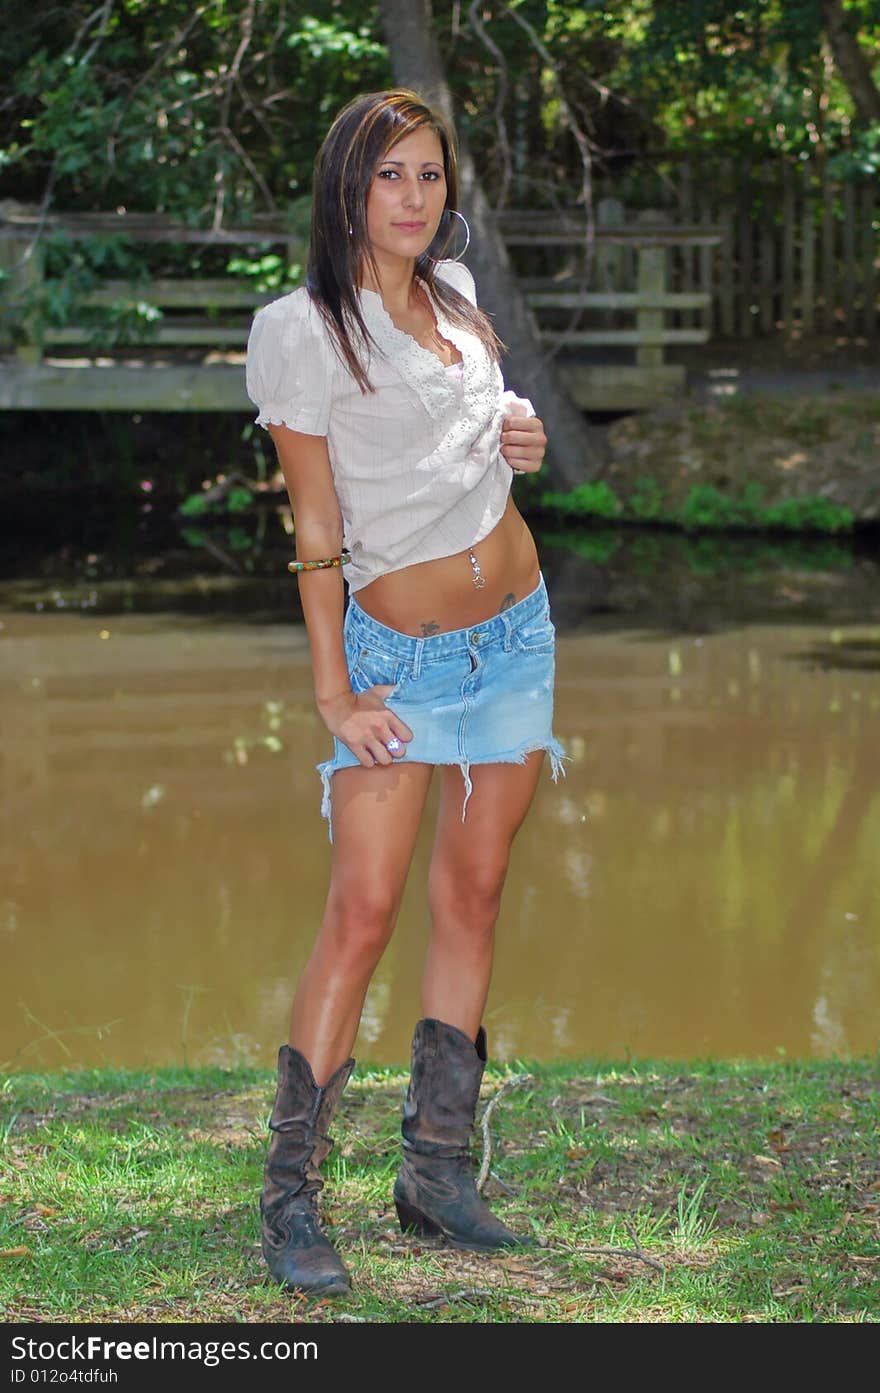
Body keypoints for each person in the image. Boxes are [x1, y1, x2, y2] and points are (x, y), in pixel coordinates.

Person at [245, 88, 569, 1298]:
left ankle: (436, 1171)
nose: (413, 197)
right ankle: (290, 1201)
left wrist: (518, 431)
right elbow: (320, 527)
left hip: (517, 636)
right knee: (364, 910)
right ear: (347, 187)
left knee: (473, 890)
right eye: (390, 175)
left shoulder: (459, 300)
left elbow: (475, 439)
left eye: (430, 174)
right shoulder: (302, 328)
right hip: (398, 657)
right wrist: (334, 692)